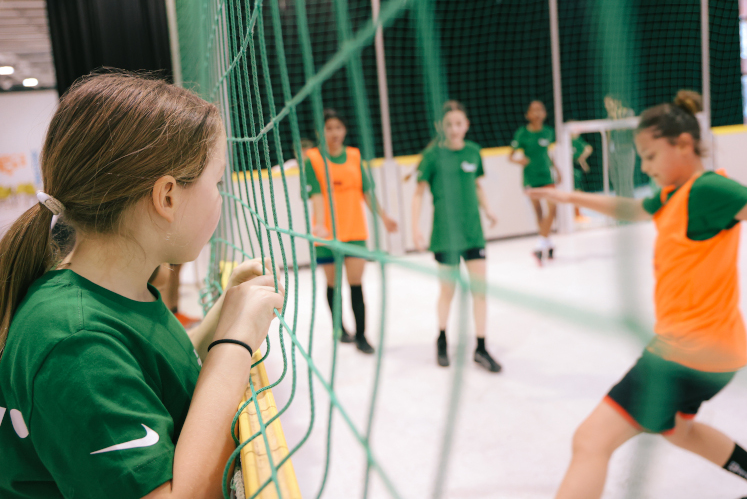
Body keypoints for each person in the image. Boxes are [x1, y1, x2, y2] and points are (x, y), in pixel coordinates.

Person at [530, 95, 747, 499]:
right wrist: (568, 198)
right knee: (679, 431)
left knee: (590, 441)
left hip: (685, 355)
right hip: (715, 354)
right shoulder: (673, 195)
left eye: (651, 156)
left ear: (684, 144)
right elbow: (632, 209)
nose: (647, 168)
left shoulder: (707, 190)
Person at [0, 73, 283, 499]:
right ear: (167, 196)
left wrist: (222, 320)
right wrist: (235, 342)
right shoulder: (75, 344)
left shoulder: (117, 291)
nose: (221, 198)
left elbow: (149, 368)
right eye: (217, 182)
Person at [412, 100, 502, 373]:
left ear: (466, 125)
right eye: (449, 124)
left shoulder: (474, 152)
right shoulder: (432, 156)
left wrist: (488, 210)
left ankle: (482, 347)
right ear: (441, 126)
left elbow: (477, 185)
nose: (454, 129)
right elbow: (418, 193)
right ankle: (441, 339)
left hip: (473, 234)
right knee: (447, 291)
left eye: (459, 123)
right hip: (445, 236)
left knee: (480, 292)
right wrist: (415, 228)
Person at [305, 108, 398, 355]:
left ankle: (361, 335)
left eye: (338, 127)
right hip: (326, 235)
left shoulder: (355, 156)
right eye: (328, 128)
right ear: (319, 132)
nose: (334, 133)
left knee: (356, 284)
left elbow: (366, 191)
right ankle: (339, 328)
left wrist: (384, 217)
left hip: (355, 231)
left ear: (345, 130)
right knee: (333, 284)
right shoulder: (313, 159)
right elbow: (315, 194)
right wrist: (320, 224)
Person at [509, 100, 559, 264]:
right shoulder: (522, 133)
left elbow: (548, 153)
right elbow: (510, 156)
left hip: (547, 176)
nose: (537, 113)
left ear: (545, 113)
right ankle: (547, 243)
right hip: (531, 178)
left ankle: (540, 245)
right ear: (527, 114)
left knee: (553, 209)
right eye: (534, 110)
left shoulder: (549, 132)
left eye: (541, 109)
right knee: (539, 212)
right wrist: (520, 161)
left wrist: (557, 169)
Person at [604, 94, 636, 198]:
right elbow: (608, 136)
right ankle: (620, 207)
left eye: (608, 103)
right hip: (613, 152)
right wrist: (607, 154)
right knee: (615, 180)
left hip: (625, 151)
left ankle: (630, 209)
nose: (606, 106)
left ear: (617, 102)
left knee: (625, 182)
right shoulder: (609, 116)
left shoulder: (628, 113)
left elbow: (622, 129)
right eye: (605, 103)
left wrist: (615, 117)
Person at [570, 132, 593, 222]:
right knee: (577, 191)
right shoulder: (574, 140)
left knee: (577, 190)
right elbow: (588, 148)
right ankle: (577, 214)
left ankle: (577, 213)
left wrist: (582, 160)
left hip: (574, 168)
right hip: (573, 168)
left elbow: (588, 148)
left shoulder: (576, 140)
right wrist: (582, 159)